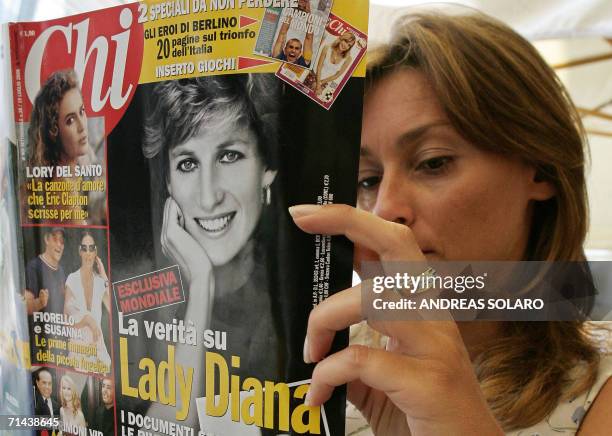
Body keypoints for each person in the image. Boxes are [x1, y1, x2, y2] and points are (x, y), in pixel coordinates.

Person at [289, 11, 612, 435]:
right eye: (367, 180)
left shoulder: (597, 386)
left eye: (433, 162)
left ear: (541, 169)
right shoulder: (321, 360)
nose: (385, 209)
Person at [142, 74, 281, 427]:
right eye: (188, 163)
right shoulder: (143, 304)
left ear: (267, 168)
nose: (208, 197)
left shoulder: (292, 299)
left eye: (230, 155)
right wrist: (201, 284)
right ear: (169, 182)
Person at [26, 69, 104, 224]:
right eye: (70, 120)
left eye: (82, 112)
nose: (82, 126)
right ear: (54, 131)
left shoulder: (77, 165)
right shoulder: (63, 185)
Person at [64, 232, 111, 373]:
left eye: (92, 248)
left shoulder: (100, 282)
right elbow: (66, 319)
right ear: (79, 251)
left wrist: (103, 275)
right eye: (84, 248)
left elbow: (112, 308)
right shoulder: (72, 279)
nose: (88, 253)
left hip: (98, 356)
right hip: (78, 355)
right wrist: (86, 320)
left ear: (96, 251)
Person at [25, 227, 66, 315]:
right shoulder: (34, 267)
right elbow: (24, 307)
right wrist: (39, 302)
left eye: (62, 241)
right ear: (47, 239)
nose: (59, 244)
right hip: (39, 328)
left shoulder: (61, 271)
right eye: (55, 239)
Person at [271, 2, 314, 67]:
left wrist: (308, 12)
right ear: (285, 50)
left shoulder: (304, 63)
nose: (293, 50)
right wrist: (292, 8)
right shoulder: (279, 56)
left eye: (297, 48)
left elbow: (309, 38)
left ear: (300, 53)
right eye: (291, 47)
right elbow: (282, 33)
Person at [314, 31, 356, 96]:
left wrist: (320, 83)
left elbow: (337, 75)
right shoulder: (327, 48)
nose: (346, 46)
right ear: (341, 38)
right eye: (345, 41)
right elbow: (319, 67)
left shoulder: (348, 59)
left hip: (326, 82)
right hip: (315, 76)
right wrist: (317, 84)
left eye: (349, 45)